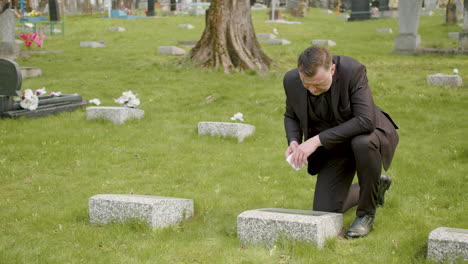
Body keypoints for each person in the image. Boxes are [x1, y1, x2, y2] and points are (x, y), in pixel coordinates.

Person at [283, 45, 399, 238]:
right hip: (334, 146)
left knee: (362, 143)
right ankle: (373, 185)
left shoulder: (352, 70)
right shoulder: (291, 80)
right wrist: (294, 140)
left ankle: (365, 214)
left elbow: (365, 120)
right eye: (307, 84)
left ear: (332, 69)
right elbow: (291, 115)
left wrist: (315, 141)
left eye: (318, 83)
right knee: (323, 212)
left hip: (367, 135)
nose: (312, 89)